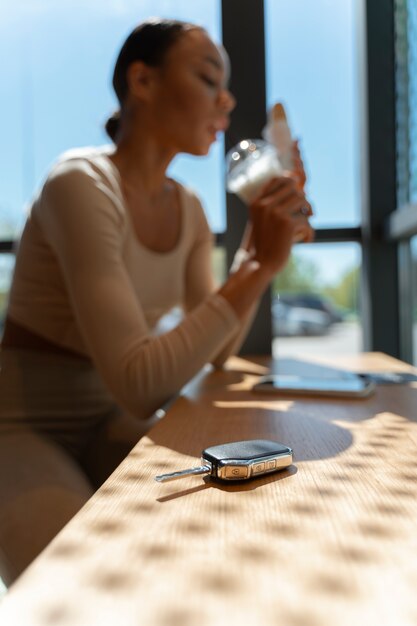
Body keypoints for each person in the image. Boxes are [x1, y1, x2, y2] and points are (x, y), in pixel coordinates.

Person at [0, 18, 312, 585]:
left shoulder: (189, 208)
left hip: (110, 417)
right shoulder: (80, 183)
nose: (228, 98)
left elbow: (218, 352)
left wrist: (259, 247)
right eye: (207, 76)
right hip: (20, 426)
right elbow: (140, 383)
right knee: (77, 586)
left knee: (218, 538)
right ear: (141, 81)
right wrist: (257, 265)